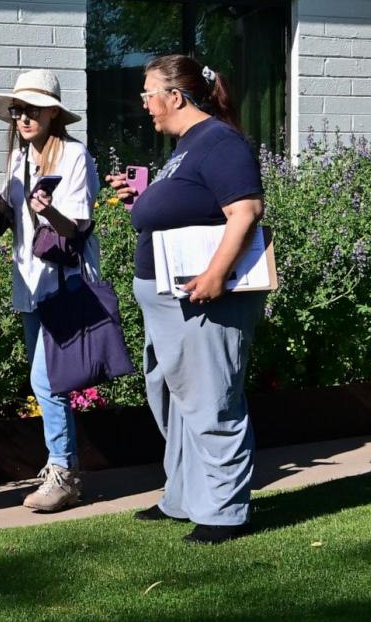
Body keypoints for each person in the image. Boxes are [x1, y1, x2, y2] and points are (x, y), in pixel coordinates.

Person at [107, 54, 266, 544]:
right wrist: (143, 203)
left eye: (148, 93)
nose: (145, 105)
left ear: (175, 97)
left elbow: (246, 210)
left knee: (210, 399)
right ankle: (181, 496)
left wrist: (216, 275)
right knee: (173, 400)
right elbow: (190, 205)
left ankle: (224, 512)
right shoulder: (188, 146)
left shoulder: (219, 141)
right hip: (167, 299)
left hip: (203, 299)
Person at [0, 69, 100, 513]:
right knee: (44, 379)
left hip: (63, 280)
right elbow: (15, 225)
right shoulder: (19, 158)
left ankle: (61, 472)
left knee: (48, 379)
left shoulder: (75, 157)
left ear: (53, 114)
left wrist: (51, 211)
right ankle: (64, 469)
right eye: (18, 110)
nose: (23, 118)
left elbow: (78, 227)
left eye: (32, 109)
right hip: (29, 283)